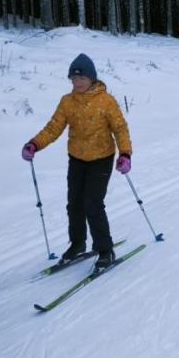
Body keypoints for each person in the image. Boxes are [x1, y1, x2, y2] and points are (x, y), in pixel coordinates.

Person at [21, 52, 132, 268]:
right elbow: (53, 127)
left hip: (102, 158)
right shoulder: (67, 102)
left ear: (91, 78)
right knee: (74, 204)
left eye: (81, 78)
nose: (77, 82)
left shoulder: (106, 101)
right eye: (74, 79)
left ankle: (105, 250)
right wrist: (35, 143)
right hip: (77, 158)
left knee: (93, 203)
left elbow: (120, 128)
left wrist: (125, 153)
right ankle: (78, 243)